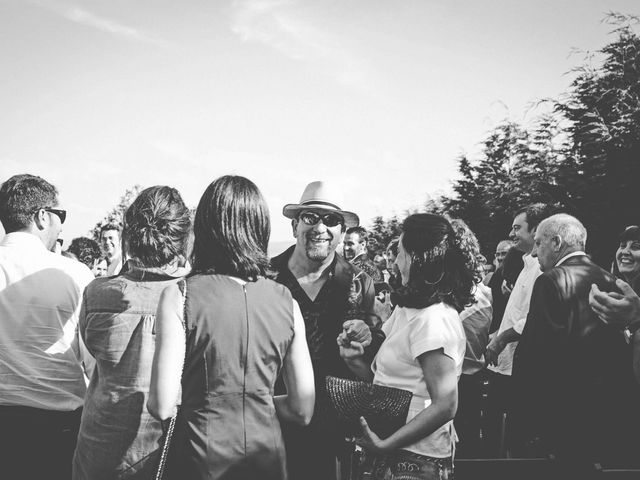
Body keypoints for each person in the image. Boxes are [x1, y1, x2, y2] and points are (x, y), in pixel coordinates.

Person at [148, 175, 315, 480]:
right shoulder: (286, 301)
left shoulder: (181, 294)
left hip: (199, 458)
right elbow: (303, 409)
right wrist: (256, 398)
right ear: (260, 228)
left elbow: (161, 404)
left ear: (206, 228)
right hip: (268, 461)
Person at [339, 213, 475, 480]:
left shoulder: (434, 319)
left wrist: (386, 444)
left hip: (416, 461)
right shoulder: (407, 310)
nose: (395, 263)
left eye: (400, 253)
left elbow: (446, 404)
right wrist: (354, 359)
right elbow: (392, 383)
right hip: (391, 450)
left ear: (418, 259)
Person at [72, 186, 192, 479]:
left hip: (97, 447)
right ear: (183, 238)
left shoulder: (97, 292)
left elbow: (91, 351)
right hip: (159, 452)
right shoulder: (190, 298)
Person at [270, 180, 383, 480]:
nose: (321, 227)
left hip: (337, 433)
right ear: (295, 226)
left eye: (331, 220)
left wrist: (367, 338)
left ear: (342, 233)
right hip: (275, 422)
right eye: (311, 217)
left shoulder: (360, 283)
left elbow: (376, 358)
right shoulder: (265, 278)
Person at [512, 214, 640, 472]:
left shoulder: (550, 281)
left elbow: (536, 357)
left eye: (539, 243)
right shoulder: (609, 278)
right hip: (610, 415)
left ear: (557, 242)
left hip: (564, 418)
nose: (535, 253)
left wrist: (525, 423)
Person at [0, 174, 95, 479]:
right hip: (59, 424)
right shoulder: (74, 273)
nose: (62, 225)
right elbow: (94, 360)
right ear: (42, 216)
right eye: (60, 215)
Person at [484, 203, 550, 456]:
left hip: (518, 366)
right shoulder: (526, 263)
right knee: (494, 429)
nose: (512, 234)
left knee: (512, 435)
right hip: (503, 363)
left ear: (536, 230)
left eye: (517, 228)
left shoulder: (541, 268)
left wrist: (502, 338)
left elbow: (532, 318)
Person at [449, 219, 493, 459]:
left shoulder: (444, 296)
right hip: (473, 378)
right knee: (468, 448)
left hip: (452, 381)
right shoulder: (486, 292)